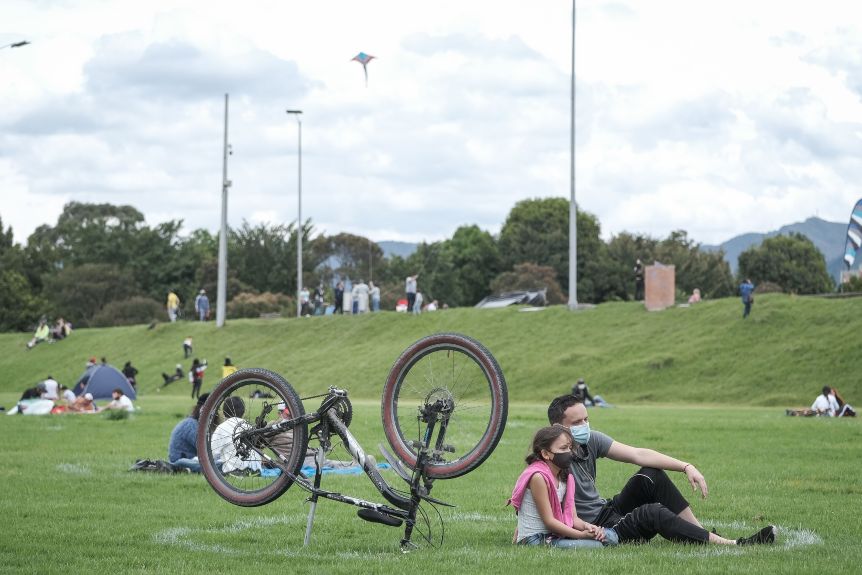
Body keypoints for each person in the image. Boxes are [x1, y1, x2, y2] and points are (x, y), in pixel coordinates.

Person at [546, 394, 776, 546]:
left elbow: (638, 454)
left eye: (586, 419)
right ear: (557, 427)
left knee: (651, 474)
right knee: (653, 512)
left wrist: (686, 466)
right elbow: (536, 491)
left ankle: (700, 531)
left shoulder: (590, 440)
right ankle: (736, 544)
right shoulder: (548, 457)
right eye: (577, 423)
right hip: (597, 526)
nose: (585, 426)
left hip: (605, 509)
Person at [509, 426, 611, 548]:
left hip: (552, 536)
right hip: (534, 539)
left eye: (570, 447)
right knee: (598, 545)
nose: (569, 452)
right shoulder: (538, 477)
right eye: (563, 448)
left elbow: (573, 518)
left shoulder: (565, 476)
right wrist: (581, 535)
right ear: (546, 454)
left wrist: (588, 527)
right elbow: (549, 521)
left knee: (609, 538)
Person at [211, 397, 262, 474]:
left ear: (224, 412)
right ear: (243, 412)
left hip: (235, 469)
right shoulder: (249, 426)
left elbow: (211, 453)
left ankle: (187, 465)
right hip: (256, 467)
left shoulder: (222, 427)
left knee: (196, 462)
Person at [168, 393, 209, 473]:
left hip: (192, 459)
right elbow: (205, 449)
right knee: (214, 465)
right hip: (182, 461)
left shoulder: (198, 424)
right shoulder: (191, 425)